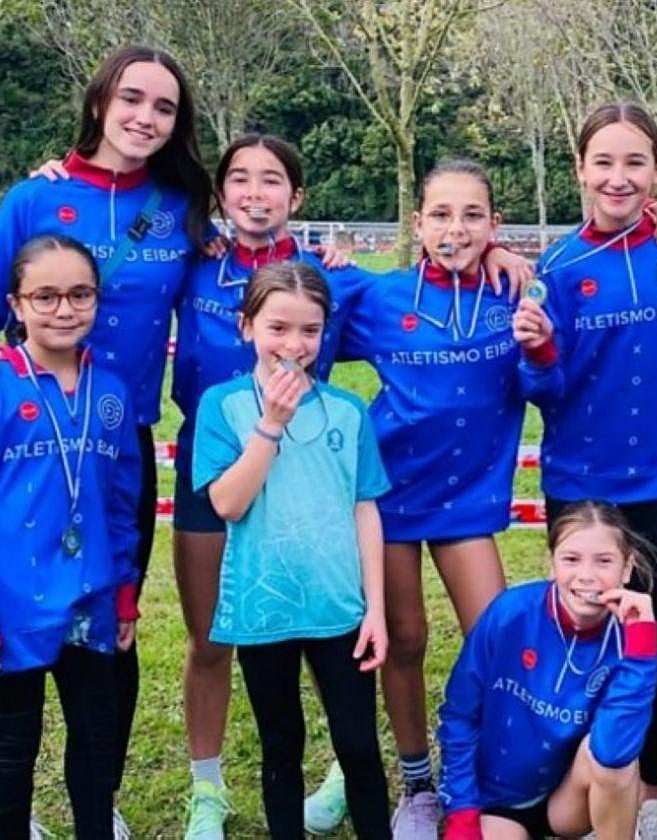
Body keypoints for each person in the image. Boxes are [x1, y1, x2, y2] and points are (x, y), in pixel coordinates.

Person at [0, 46, 213, 837]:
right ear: (98, 102)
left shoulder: (183, 206)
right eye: (132, 99)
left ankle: (99, 803)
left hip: (120, 451)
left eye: (164, 107)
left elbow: (250, 272)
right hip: (25, 444)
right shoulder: (31, 200)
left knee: (108, 640)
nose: (145, 118)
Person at [168, 133, 380, 839]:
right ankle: (207, 789)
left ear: (297, 197)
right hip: (217, 464)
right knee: (210, 636)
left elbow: (419, 290)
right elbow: (107, 261)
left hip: (304, 480)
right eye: (239, 180)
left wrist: (500, 254)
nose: (255, 193)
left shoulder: (329, 273)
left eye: (272, 181)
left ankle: (346, 768)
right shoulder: (190, 259)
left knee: (319, 624)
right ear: (220, 192)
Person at [515, 100, 657, 839]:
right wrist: (537, 351)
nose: (619, 176)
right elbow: (546, 391)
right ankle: (583, 783)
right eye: (604, 161)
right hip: (581, 483)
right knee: (586, 631)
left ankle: (652, 793)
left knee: (649, 637)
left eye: (635, 161)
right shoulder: (559, 266)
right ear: (580, 170)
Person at [319, 159, 525, 838]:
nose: (455, 229)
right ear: (418, 221)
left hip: (468, 499)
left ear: (496, 225)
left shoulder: (515, 293)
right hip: (392, 494)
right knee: (403, 640)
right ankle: (416, 784)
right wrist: (326, 259)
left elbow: (550, 368)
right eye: (440, 214)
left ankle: (497, 775)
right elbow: (293, 301)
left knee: (494, 637)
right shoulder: (383, 297)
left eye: (473, 215)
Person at [192, 262, 391, 838]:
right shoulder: (222, 406)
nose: (294, 345)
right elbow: (228, 502)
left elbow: (365, 508)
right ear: (246, 325)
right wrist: (270, 425)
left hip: (340, 608)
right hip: (264, 607)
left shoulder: (348, 412)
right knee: (281, 744)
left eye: (310, 330)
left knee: (357, 745)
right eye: (278, 328)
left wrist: (374, 608)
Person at [0, 236, 141, 839]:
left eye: (80, 294)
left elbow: (121, 501)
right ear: (16, 303)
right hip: (12, 602)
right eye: (46, 296)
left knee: (95, 744)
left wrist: (127, 594)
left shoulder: (110, 390)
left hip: (93, 598)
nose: (64, 310)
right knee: (10, 751)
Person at [436, 500, 657, 840]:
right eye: (571, 559)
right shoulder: (510, 613)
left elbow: (615, 751)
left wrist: (641, 651)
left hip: (567, 800)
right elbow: (459, 715)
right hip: (499, 801)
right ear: (551, 564)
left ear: (627, 569)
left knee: (617, 767)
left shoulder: (632, 636)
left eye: (604, 561)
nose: (586, 575)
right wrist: (463, 814)